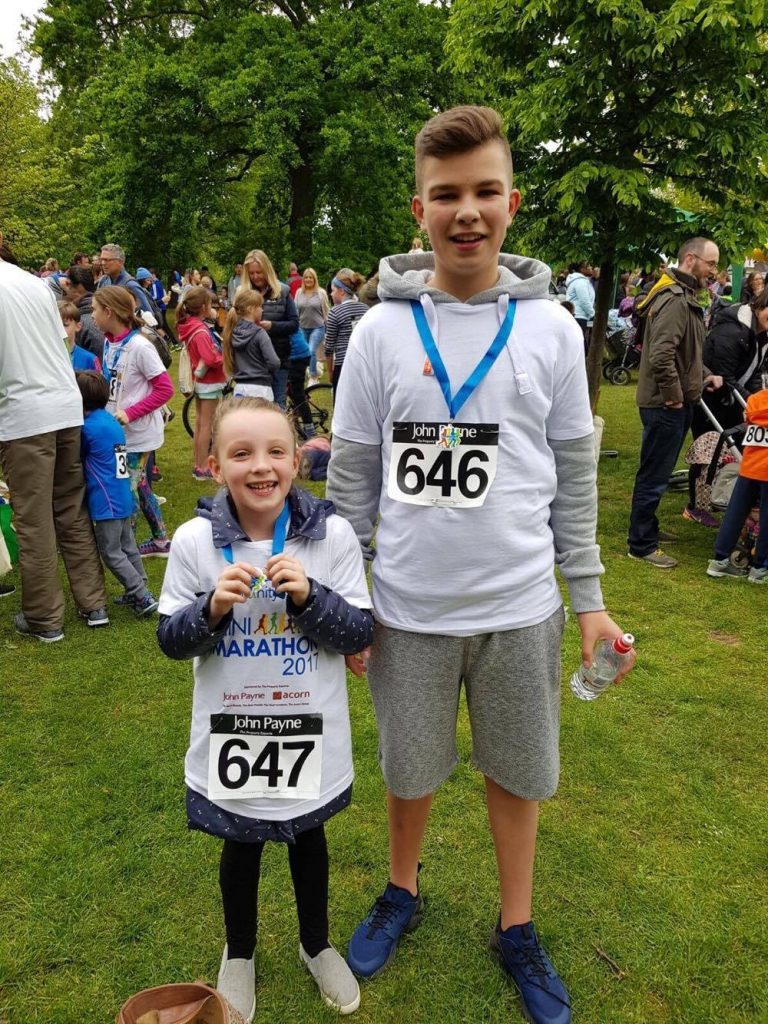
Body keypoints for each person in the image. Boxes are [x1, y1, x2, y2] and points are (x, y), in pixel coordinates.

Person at [327, 105, 634, 1024]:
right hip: (408, 610)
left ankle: (517, 924)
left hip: (520, 609)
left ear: (512, 202)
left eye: (485, 192)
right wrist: (343, 596)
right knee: (409, 769)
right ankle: (402, 889)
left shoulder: (552, 330)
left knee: (518, 772)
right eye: (446, 194)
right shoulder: (378, 332)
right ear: (418, 208)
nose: (467, 211)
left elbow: (573, 479)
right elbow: (351, 480)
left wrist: (588, 600)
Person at [157, 396, 373, 1020]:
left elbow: (359, 632)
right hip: (236, 730)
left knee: (309, 839)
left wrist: (310, 598)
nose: (260, 466)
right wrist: (210, 610)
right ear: (215, 464)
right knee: (241, 843)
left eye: (276, 451)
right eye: (241, 453)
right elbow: (171, 640)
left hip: (307, 728)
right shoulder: (194, 542)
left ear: (296, 461)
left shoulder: (329, 535)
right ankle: (240, 953)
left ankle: (316, 944)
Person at [0, 231, 108, 641]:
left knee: (34, 519)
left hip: (26, 414)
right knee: (70, 507)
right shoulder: (34, 284)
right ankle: (93, 603)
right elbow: (59, 343)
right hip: (63, 404)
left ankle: (44, 617)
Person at [627, 238, 723, 568]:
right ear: (691, 259)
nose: (715, 271)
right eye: (711, 263)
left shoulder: (684, 296)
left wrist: (706, 375)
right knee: (654, 475)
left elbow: (687, 353)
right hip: (664, 404)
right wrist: (673, 397)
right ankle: (641, 544)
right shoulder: (674, 299)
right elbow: (661, 355)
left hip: (673, 401)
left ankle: (648, 528)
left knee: (659, 470)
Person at [92, 285, 174, 557]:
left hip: (138, 434)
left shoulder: (140, 346)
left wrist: (130, 413)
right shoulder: (109, 342)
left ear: (109, 312)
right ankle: (160, 540)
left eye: (94, 309)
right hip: (118, 433)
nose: (91, 315)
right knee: (138, 483)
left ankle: (126, 549)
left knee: (126, 488)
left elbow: (165, 390)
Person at [75, 371, 159, 615]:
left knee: (111, 552)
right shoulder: (111, 421)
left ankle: (141, 595)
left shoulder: (87, 429)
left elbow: (77, 455)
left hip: (106, 500)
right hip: (122, 494)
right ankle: (140, 588)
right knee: (128, 546)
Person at [684, 287, 768, 526]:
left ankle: (730, 496)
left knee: (736, 450)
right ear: (760, 305)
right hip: (711, 398)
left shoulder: (762, 334)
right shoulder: (732, 331)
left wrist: (756, 398)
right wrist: (753, 402)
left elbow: (754, 371)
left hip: (732, 401)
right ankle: (696, 506)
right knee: (707, 451)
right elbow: (724, 375)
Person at [706, 387, 768, 583]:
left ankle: (719, 559)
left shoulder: (755, 400)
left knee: (735, 512)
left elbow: (748, 420)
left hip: (749, 467)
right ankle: (760, 567)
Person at [176, 286, 227, 481]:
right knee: (207, 425)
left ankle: (198, 463)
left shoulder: (190, 325)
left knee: (200, 423)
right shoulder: (200, 331)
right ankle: (203, 466)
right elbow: (210, 358)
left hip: (201, 381)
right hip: (209, 382)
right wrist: (224, 359)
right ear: (204, 307)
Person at [240, 249, 298, 409]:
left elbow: (294, 324)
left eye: (259, 272)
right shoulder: (243, 294)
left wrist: (272, 326)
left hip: (278, 358)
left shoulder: (283, 291)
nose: (255, 277)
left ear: (267, 270)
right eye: (251, 273)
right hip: (252, 362)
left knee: (278, 405)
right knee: (255, 408)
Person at [223, 290, 281, 401]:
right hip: (261, 389)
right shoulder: (259, 333)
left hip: (240, 388)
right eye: (260, 306)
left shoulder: (232, 332)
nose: (262, 310)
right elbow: (274, 362)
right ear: (251, 309)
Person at [323, 269, 367, 398]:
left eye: (333, 290)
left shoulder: (335, 312)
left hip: (343, 364)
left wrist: (331, 372)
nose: (331, 294)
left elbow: (329, 347)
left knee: (341, 402)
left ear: (341, 291)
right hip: (363, 363)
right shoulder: (365, 309)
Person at [97, 244, 155, 314]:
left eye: (107, 260)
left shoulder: (131, 285)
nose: (103, 263)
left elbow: (148, 316)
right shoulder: (103, 281)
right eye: (102, 259)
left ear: (120, 262)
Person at [62, 266, 106, 359]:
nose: (63, 287)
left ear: (80, 287)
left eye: (67, 283)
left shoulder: (87, 323)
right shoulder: (98, 317)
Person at [296, 267, 329, 385]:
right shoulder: (299, 292)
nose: (308, 279)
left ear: (314, 279)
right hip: (302, 327)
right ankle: (307, 372)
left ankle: (313, 376)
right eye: (306, 277)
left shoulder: (321, 293)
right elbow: (296, 310)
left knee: (311, 350)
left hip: (318, 327)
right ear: (303, 279)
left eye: (311, 277)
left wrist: (328, 327)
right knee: (303, 352)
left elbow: (326, 310)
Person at [58, 300, 101, 373]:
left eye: (65, 325)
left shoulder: (90, 359)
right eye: (55, 325)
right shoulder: (43, 356)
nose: (59, 329)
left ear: (78, 326)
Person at [564, 260, 594, 348]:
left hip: (578, 315)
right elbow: (584, 300)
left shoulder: (581, 281)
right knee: (580, 345)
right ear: (582, 269)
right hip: (579, 316)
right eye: (588, 266)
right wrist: (592, 313)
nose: (591, 268)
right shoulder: (580, 282)